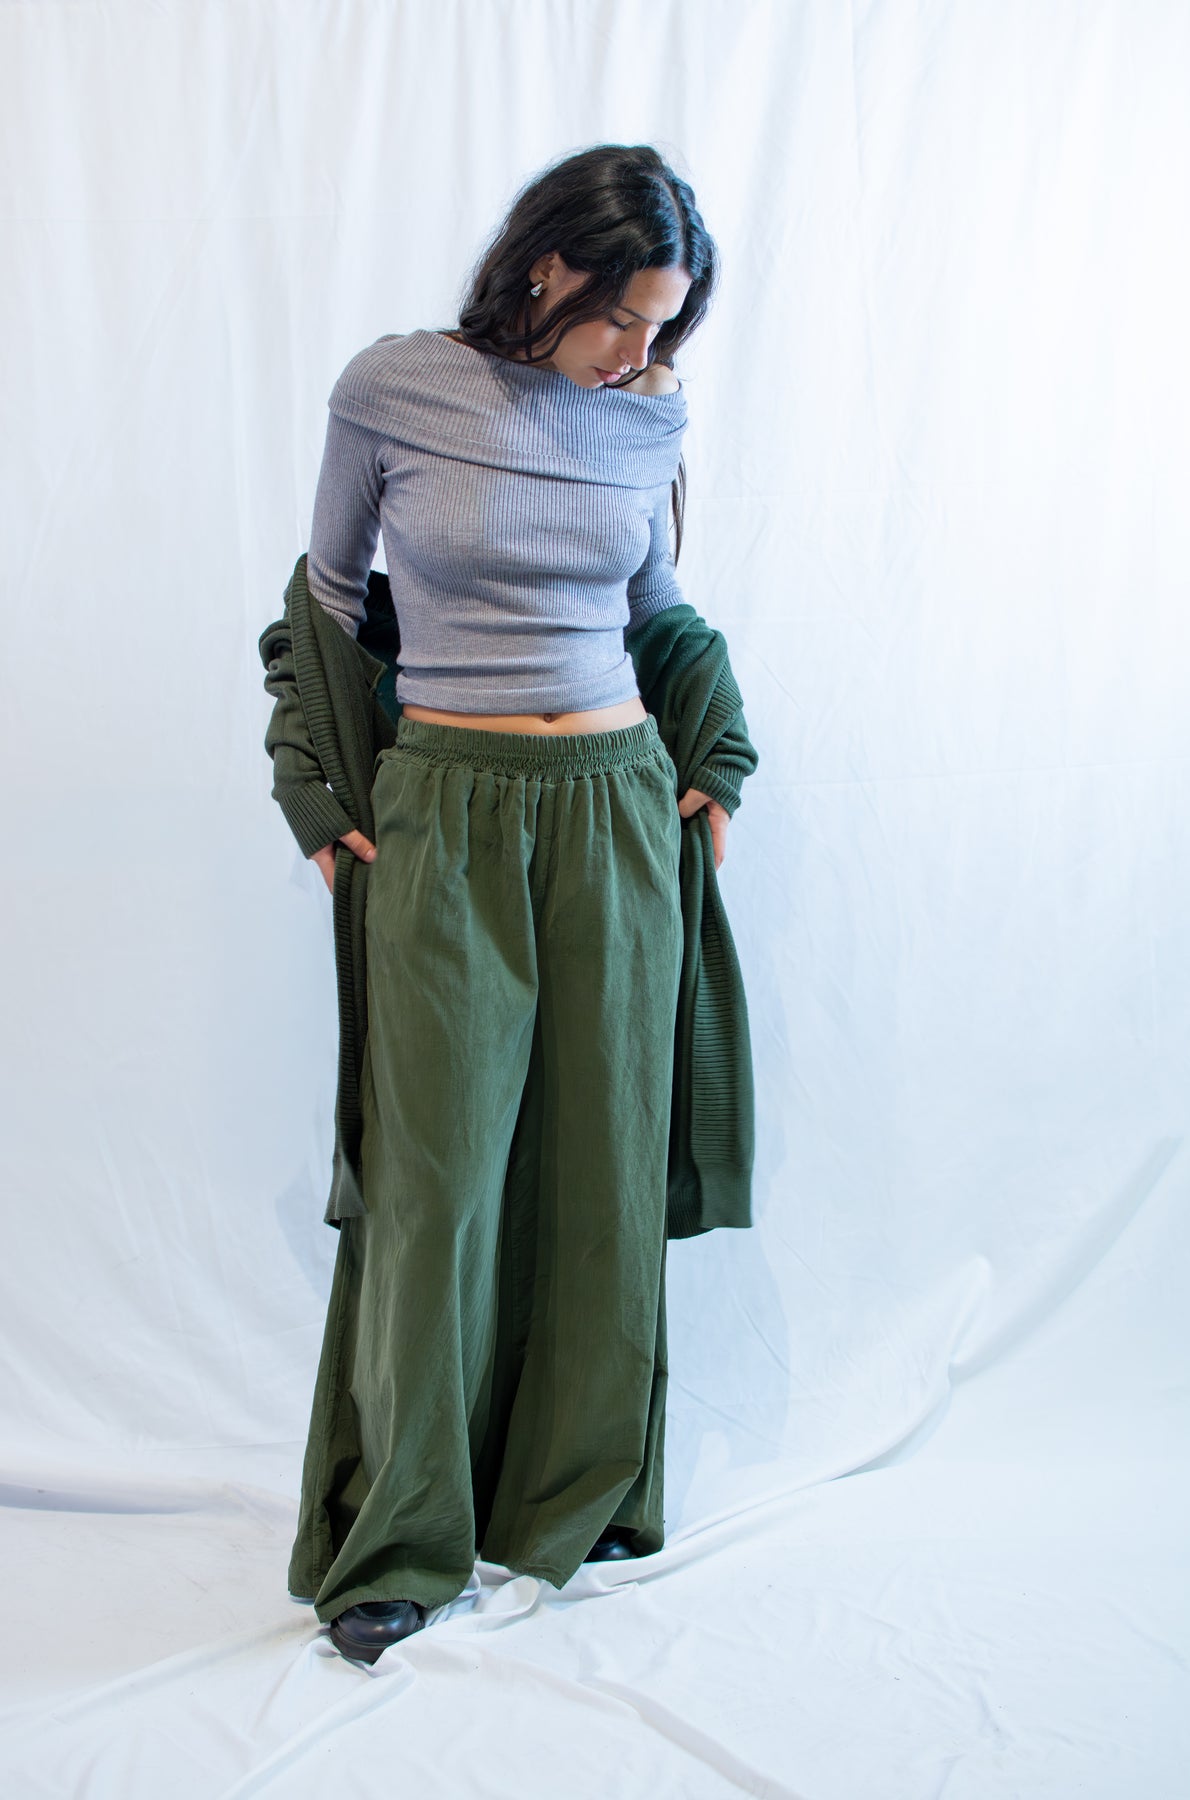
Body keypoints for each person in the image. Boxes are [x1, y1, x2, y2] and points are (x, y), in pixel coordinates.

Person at [278, 142, 748, 1666]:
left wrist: (715, 757)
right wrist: (314, 794)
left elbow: (656, 606)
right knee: (435, 1184)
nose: (639, 351)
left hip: (614, 801)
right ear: (548, 265)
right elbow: (329, 598)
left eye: (665, 325)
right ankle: (402, 1539)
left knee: (602, 1161)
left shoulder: (648, 416)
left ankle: (577, 1489)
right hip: (448, 806)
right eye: (622, 316)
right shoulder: (395, 390)